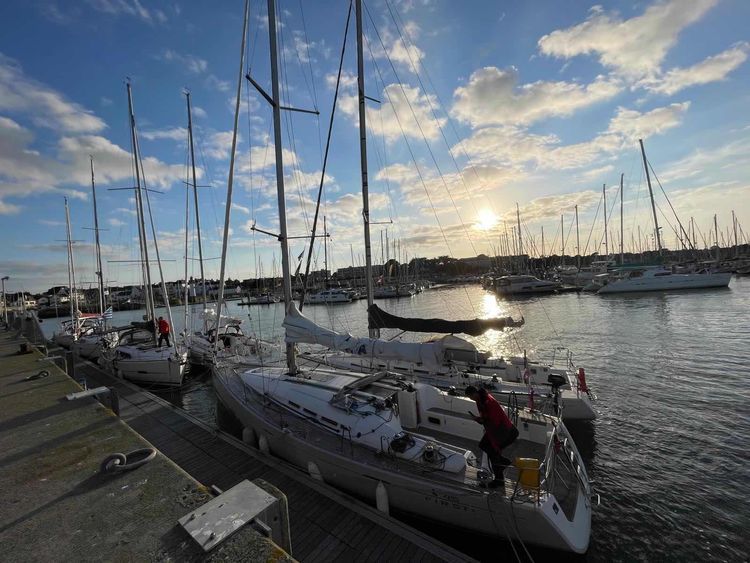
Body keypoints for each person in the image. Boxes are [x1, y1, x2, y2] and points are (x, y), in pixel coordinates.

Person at [465, 385, 519, 489]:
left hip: (505, 432)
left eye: (470, 397)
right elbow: (486, 419)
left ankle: (499, 481)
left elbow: (493, 422)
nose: (471, 399)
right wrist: (478, 419)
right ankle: (503, 462)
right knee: (484, 446)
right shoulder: (480, 399)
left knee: (493, 454)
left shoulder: (487, 402)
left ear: (474, 394)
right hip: (497, 429)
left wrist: (478, 420)